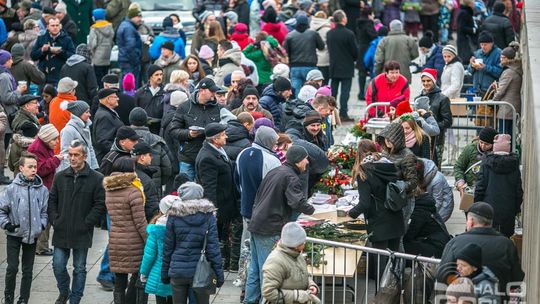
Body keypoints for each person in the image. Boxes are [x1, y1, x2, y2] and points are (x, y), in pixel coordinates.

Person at [244, 145, 315, 304]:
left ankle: (249, 301)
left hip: (257, 224)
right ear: (297, 161)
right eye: (305, 158)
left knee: (255, 269)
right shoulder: (290, 177)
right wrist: (312, 210)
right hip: (270, 227)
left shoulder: (276, 171)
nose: (307, 162)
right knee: (267, 271)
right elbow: (296, 201)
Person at [48, 140, 106, 304]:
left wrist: (87, 223)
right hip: (62, 228)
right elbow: (52, 200)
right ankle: (64, 291)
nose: (72, 158)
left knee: (79, 268)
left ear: (84, 156)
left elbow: (100, 205)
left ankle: (75, 299)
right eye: (70, 154)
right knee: (58, 265)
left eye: (76, 155)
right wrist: (55, 220)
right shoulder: (60, 177)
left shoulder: (96, 178)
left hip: (82, 231)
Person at [436, 202, 524, 293]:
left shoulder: (455, 243)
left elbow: (442, 276)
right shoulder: (507, 244)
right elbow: (517, 279)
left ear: (471, 222)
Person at [347, 139, 404, 279]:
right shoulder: (388, 165)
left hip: (378, 220)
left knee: (380, 261)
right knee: (394, 259)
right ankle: (395, 289)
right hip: (395, 216)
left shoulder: (364, 172)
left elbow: (364, 203)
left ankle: (382, 293)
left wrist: (350, 214)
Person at [161, 182, 224, 304]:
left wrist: (164, 272)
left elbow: (168, 248)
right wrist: (219, 274)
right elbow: (213, 248)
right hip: (200, 272)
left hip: (177, 271)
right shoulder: (208, 216)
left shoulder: (173, 216)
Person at [0, 152, 48, 304]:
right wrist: (7, 224)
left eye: (35, 166)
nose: (34, 169)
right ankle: (8, 298)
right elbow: (1, 210)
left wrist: (41, 225)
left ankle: (23, 299)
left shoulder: (42, 190)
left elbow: (45, 212)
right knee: (12, 268)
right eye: (30, 167)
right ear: (21, 168)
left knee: (28, 270)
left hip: (32, 236)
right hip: (14, 234)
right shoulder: (11, 189)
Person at [195, 123, 242, 271]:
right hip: (219, 207)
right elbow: (209, 187)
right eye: (223, 135)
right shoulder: (208, 157)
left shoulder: (218, 151)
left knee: (223, 234)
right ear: (215, 139)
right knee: (218, 236)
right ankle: (218, 266)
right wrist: (212, 210)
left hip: (226, 204)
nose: (226, 136)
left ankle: (226, 264)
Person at [103, 157, 147, 304]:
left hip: (115, 240)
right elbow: (140, 221)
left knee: (120, 280)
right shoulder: (133, 191)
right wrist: (148, 239)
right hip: (133, 242)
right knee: (137, 276)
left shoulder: (109, 190)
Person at [236, 126, 281, 251]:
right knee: (262, 250)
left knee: (246, 248)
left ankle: (243, 270)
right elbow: (276, 189)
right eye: (274, 143)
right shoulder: (272, 160)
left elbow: (237, 180)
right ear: (267, 141)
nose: (276, 146)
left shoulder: (242, 154)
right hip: (265, 213)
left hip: (246, 208)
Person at [168, 77, 221, 181]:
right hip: (188, 158)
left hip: (209, 157)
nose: (214, 94)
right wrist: (189, 134)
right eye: (212, 91)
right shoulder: (185, 107)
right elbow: (173, 130)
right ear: (202, 91)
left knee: (206, 192)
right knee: (186, 190)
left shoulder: (218, 108)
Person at [474, 134, 522, 237]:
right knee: (505, 237)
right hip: (508, 209)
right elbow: (518, 191)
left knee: (488, 238)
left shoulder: (486, 163)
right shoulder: (514, 165)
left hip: (488, 208)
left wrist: (476, 206)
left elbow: (480, 188)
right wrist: (516, 209)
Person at [261, 222, 320, 304]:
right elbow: (268, 292)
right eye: (303, 242)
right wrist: (297, 295)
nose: (304, 244)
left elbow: (304, 274)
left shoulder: (297, 254)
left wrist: (311, 285)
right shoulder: (275, 261)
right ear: (296, 245)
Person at [404, 159, 451, 258]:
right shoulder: (422, 200)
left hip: (436, 249)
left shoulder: (419, 206)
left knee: (404, 247)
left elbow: (410, 234)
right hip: (437, 243)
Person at [27, 124, 61, 256]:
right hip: (41, 188)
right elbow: (40, 170)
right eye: (54, 139)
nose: (57, 142)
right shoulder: (36, 148)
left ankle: (42, 246)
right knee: (44, 217)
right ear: (47, 138)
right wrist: (56, 160)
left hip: (45, 186)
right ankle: (41, 247)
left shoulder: (44, 145)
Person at [139, 196, 175, 304]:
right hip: (177, 272)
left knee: (160, 299)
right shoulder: (183, 226)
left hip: (158, 272)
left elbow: (149, 254)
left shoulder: (156, 228)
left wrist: (144, 272)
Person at [129, 107, 173, 196]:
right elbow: (168, 167)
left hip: (129, 187)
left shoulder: (123, 142)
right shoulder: (158, 140)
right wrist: (159, 182)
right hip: (155, 187)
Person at [415, 68, 453, 168]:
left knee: (435, 167)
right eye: (423, 81)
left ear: (434, 81)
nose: (426, 83)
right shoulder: (418, 98)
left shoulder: (443, 98)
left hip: (437, 139)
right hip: (421, 138)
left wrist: (432, 127)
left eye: (428, 81)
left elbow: (448, 121)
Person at [327, 10, 358, 121]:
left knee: (333, 92)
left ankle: (331, 113)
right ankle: (343, 113)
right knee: (345, 92)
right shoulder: (349, 33)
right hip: (347, 66)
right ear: (343, 19)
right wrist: (353, 59)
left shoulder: (330, 33)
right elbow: (355, 51)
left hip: (334, 65)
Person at [283, 14, 325, 95]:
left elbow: (285, 51)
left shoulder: (290, 35)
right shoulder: (313, 34)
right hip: (310, 65)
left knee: (296, 91)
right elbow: (321, 47)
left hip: (295, 67)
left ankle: (298, 106)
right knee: (312, 90)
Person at [30, 17, 75, 85]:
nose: (55, 27)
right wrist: (42, 50)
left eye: (57, 25)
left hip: (60, 76)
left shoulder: (67, 39)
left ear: (60, 26)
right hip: (44, 76)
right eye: (53, 25)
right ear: (48, 27)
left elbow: (73, 56)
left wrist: (60, 52)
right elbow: (33, 56)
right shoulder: (41, 38)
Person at [454, 127, 497, 195]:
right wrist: (460, 182)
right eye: (481, 142)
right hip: (470, 190)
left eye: (487, 144)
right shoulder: (470, 149)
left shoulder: (497, 153)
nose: (483, 146)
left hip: (489, 191)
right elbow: (458, 167)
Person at [58, 100, 99, 171]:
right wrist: (69, 174)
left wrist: (95, 167)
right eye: (86, 112)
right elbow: (65, 154)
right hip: (75, 170)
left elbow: (90, 148)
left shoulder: (86, 126)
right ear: (78, 114)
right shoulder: (68, 130)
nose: (89, 114)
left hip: (87, 169)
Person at [493, 43, 522, 135]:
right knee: (510, 134)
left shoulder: (508, 72)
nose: (500, 60)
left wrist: (493, 101)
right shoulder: (515, 69)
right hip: (512, 107)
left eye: (502, 57)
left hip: (506, 109)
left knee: (503, 136)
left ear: (508, 59)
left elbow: (501, 91)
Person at [93, 88, 124, 162]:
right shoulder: (104, 116)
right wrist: (119, 151)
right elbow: (103, 141)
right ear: (108, 99)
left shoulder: (107, 113)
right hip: (108, 160)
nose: (118, 99)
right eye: (115, 97)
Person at [468, 32, 503, 96]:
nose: (483, 47)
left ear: (491, 44)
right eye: (481, 44)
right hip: (476, 90)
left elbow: (500, 72)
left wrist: (485, 67)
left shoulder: (499, 53)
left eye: (485, 44)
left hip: (491, 91)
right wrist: (472, 65)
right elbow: (469, 71)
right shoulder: (477, 53)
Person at [132, 142, 160, 221]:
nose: (152, 157)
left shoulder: (127, 172)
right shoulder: (146, 180)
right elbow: (151, 208)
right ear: (142, 157)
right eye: (150, 155)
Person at [116, 5, 143, 86]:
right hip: (130, 62)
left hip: (125, 60)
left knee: (125, 81)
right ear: (132, 17)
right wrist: (135, 60)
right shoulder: (129, 28)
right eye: (138, 17)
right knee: (130, 84)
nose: (140, 19)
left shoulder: (125, 25)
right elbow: (130, 47)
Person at [134, 64, 165, 135]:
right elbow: (136, 110)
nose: (159, 77)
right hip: (144, 129)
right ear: (150, 76)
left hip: (160, 129)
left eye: (161, 74)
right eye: (156, 75)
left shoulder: (166, 92)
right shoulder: (140, 93)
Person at [355, 6, 378, 99]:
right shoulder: (368, 23)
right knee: (371, 71)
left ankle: (361, 92)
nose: (373, 16)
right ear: (369, 15)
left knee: (361, 72)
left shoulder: (358, 23)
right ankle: (370, 92)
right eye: (372, 14)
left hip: (360, 48)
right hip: (368, 49)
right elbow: (373, 36)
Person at [88, 8, 114, 85]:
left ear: (94, 17)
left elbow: (93, 44)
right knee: (106, 77)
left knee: (98, 80)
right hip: (107, 57)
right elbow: (112, 42)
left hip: (97, 58)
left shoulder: (94, 28)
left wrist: (91, 51)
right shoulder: (109, 27)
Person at [49, 77, 78, 145]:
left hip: (54, 143)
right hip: (69, 144)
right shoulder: (72, 105)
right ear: (71, 91)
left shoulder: (53, 101)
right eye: (74, 89)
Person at [0, 49, 26, 121]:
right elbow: (6, 98)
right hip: (6, 117)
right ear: (4, 61)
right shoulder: (4, 77)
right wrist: (19, 91)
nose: (12, 61)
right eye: (10, 59)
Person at [456, 0, 476, 64]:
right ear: (469, 4)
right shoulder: (464, 13)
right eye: (473, 3)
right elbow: (461, 27)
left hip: (465, 39)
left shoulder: (466, 11)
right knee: (465, 59)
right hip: (464, 39)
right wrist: (473, 30)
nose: (474, 4)